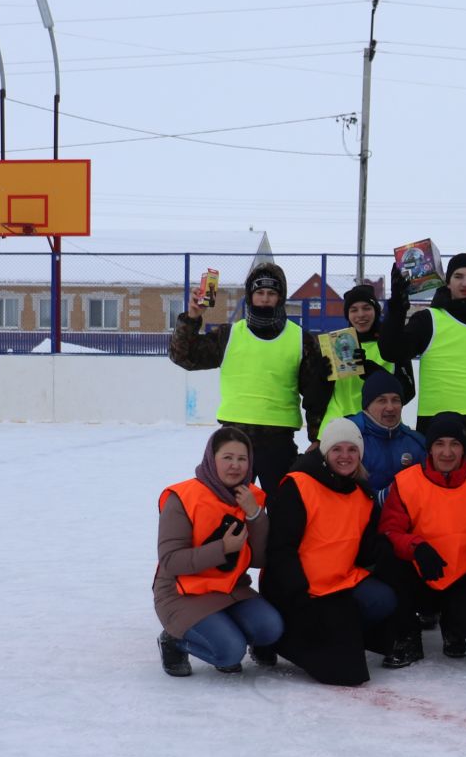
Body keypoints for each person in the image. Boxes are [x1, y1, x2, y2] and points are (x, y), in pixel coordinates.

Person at [258, 418, 420, 683]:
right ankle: (276, 640)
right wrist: (300, 598)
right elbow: (280, 551)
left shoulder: (360, 494)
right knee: (348, 673)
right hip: (298, 589)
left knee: (383, 600)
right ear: (325, 453)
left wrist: (402, 552)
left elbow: (367, 550)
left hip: (339, 585)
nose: (345, 456)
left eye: (352, 450)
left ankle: (340, 632)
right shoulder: (299, 486)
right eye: (337, 450)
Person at [169, 262, 329, 497]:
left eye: (272, 293)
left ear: (280, 297)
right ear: (250, 296)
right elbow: (184, 356)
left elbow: (315, 396)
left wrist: (317, 438)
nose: (265, 299)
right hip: (234, 438)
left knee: (284, 510)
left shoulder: (301, 340)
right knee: (229, 510)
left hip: (279, 441)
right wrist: (192, 318)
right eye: (259, 293)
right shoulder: (229, 335)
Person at [153, 426, 284, 676]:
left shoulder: (250, 498)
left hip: (230, 589)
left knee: (271, 628)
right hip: (181, 593)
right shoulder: (183, 497)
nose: (235, 465)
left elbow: (259, 559)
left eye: (242, 459)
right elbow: (170, 561)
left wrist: (255, 515)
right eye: (227, 458)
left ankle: (224, 629)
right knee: (229, 654)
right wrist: (222, 549)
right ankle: (173, 640)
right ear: (211, 460)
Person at [378, 412, 466, 659]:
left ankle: (455, 630)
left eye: (455, 444)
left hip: (465, 579)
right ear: (429, 448)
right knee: (386, 555)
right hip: (420, 575)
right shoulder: (407, 481)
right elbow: (390, 530)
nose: (446, 452)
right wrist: (416, 547)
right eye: (439, 444)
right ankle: (408, 634)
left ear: (464, 448)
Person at [382, 251, 466, 478]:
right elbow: (392, 350)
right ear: (447, 281)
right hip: (439, 420)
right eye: (458, 276)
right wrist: (397, 305)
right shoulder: (429, 319)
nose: (465, 283)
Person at [317, 283, 414, 431]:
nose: (360, 314)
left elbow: (408, 392)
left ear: (376, 311)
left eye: (367, 308)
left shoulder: (391, 343)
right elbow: (317, 399)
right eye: (353, 310)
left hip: (379, 429)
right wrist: (320, 378)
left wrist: (374, 374)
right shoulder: (334, 344)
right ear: (347, 315)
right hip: (337, 428)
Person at [350, 369, 428, 495]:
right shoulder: (349, 439)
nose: (390, 407)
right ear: (367, 406)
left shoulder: (416, 443)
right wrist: (378, 499)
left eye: (396, 400)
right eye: (382, 401)